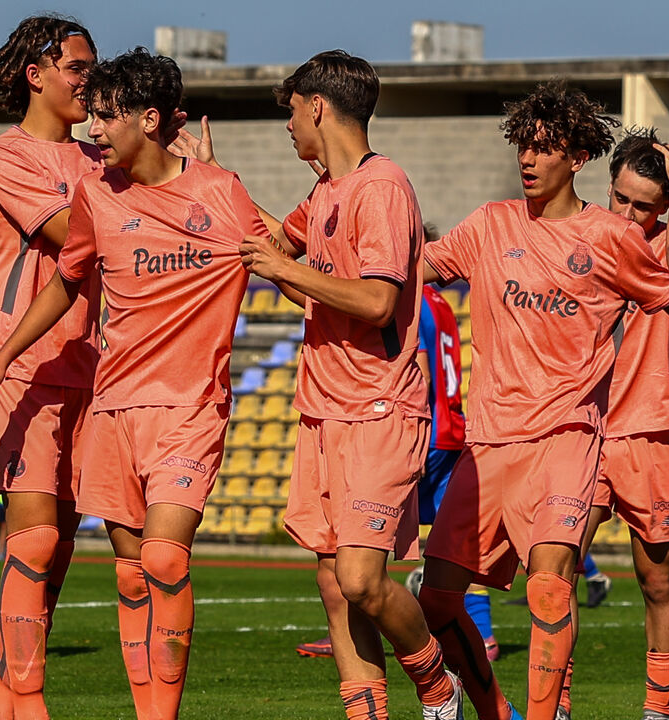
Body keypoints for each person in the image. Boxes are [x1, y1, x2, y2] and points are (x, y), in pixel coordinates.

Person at [416, 80, 669, 720]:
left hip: (592, 435)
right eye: (525, 147)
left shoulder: (622, 241)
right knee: (436, 597)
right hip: (492, 444)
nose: (530, 160)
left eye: (546, 148)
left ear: (576, 157)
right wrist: (308, 252)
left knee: (591, 583)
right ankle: (484, 705)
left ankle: (641, 710)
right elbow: (402, 273)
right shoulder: (491, 224)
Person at [0, 48, 269, 720]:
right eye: (93, 113)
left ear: (152, 117)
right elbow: (66, 278)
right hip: (112, 404)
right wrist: (1, 355)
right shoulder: (94, 192)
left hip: (189, 407)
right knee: (127, 569)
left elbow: (283, 254)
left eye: (107, 116)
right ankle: (23, 703)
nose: (95, 128)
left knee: (163, 558)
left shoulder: (219, 191)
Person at [211, 50, 464, 720]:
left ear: (317, 106)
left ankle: (438, 684)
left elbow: (378, 301)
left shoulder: (380, 189)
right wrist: (203, 179)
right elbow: (273, 241)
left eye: (291, 112)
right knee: (333, 582)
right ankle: (367, 713)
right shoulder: (326, 192)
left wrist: (281, 271)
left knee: (361, 579)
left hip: (378, 409)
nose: (287, 126)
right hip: (324, 407)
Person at [0, 14, 101, 717]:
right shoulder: (4, 157)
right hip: (15, 360)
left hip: (87, 360)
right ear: (37, 73)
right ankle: (33, 702)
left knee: (63, 543)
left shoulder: (100, 159)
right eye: (79, 67)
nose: (89, 80)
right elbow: (72, 236)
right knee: (38, 534)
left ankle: (1, 701)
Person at [562, 128, 669, 720]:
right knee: (556, 568)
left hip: (651, 430)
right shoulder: (587, 233)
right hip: (583, 426)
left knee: (658, 579)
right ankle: (557, 703)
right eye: (620, 198)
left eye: (643, 205)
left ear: (665, 206)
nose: (627, 213)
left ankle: (657, 711)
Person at [296, 283, 501, 663]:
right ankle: (483, 634)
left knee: (359, 539)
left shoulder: (408, 299)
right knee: (454, 549)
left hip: (419, 427)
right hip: (451, 428)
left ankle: (353, 630)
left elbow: (415, 361)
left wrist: (415, 430)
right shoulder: (439, 300)